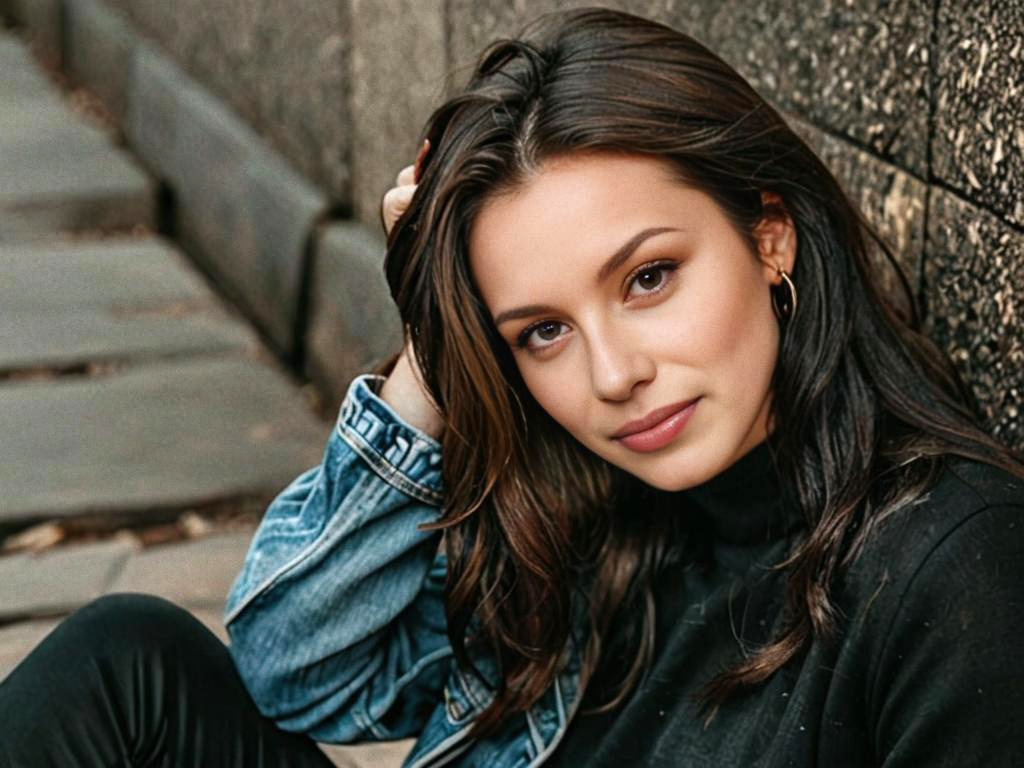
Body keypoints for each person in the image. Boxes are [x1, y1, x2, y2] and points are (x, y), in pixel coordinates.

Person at [1, 6, 1022, 767]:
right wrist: (436, 349)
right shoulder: (586, 512)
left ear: (768, 234)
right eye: (541, 332)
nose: (614, 375)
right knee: (124, 666)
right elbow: (297, 669)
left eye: (649, 277)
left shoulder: (948, 568)